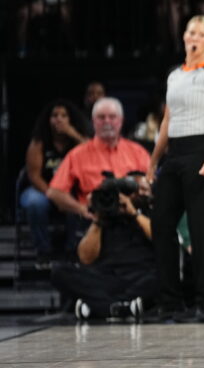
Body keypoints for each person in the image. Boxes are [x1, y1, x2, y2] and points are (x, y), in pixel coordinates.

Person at [148, 16, 204, 321]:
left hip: (202, 152)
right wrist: (152, 164)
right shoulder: (174, 75)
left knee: (200, 229)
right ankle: (170, 300)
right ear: (184, 36)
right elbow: (166, 122)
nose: (194, 37)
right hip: (174, 154)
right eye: (190, 32)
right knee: (161, 224)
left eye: (201, 33)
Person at [51, 172, 159, 321]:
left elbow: (160, 239)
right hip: (106, 277)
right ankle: (120, 308)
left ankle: (98, 307)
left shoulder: (149, 213)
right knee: (59, 272)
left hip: (140, 275)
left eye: (142, 190)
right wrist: (99, 218)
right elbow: (85, 258)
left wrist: (134, 214)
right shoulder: (106, 214)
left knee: (162, 276)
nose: (137, 194)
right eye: (132, 191)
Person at [47, 98, 151, 240]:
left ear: (121, 120)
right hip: (95, 222)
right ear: (93, 121)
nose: (107, 121)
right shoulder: (77, 154)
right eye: (101, 117)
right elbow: (54, 192)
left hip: (133, 220)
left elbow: (154, 185)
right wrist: (81, 209)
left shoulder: (138, 152)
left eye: (112, 117)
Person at [20, 99, 90, 257]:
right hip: (42, 189)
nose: (59, 119)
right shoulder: (39, 143)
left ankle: (74, 249)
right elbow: (34, 176)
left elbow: (93, 154)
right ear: (48, 120)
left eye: (64, 115)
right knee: (34, 203)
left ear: (71, 120)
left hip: (71, 190)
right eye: (55, 115)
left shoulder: (77, 140)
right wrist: (53, 194)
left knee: (80, 202)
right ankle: (43, 250)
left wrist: (72, 133)